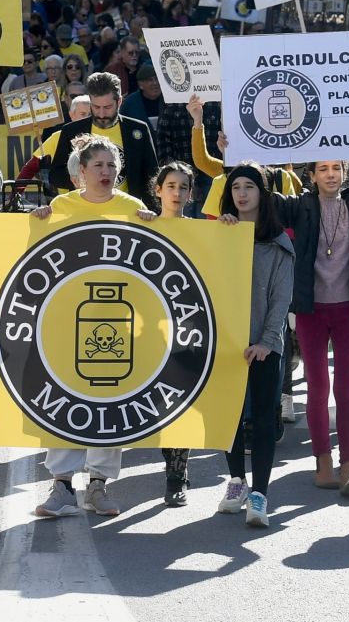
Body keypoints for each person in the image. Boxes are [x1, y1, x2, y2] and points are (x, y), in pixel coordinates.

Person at [29, 135, 158, 519]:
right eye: (98, 166)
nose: (106, 172)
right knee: (66, 397)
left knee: (109, 398)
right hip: (67, 317)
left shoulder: (133, 208)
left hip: (120, 316)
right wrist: (37, 224)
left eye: (112, 166)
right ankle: (63, 486)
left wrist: (158, 224)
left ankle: (99, 485)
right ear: (81, 172)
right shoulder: (61, 206)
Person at [212, 164, 295, 529]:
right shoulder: (218, 234)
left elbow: (281, 299)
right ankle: (236, 482)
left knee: (262, 419)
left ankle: (259, 492)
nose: (242, 194)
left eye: (249, 187)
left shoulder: (278, 243)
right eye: (236, 187)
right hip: (227, 343)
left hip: (266, 345)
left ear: (263, 193)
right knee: (227, 416)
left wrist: (265, 342)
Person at [152, 161, 198, 505]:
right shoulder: (144, 226)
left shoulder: (202, 231)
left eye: (183, 187)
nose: (177, 193)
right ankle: (171, 461)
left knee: (181, 402)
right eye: (171, 186)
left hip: (187, 330)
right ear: (158, 190)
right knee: (156, 404)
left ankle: (177, 475)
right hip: (149, 332)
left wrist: (226, 230)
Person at [39, 73, 158, 200]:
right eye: (96, 107)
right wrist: (83, 176)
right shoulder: (71, 130)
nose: (101, 114)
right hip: (85, 211)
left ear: (119, 102)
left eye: (107, 107)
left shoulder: (138, 130)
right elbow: (55, 176)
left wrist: (150, 212)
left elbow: (152, 177)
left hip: (126, 211)